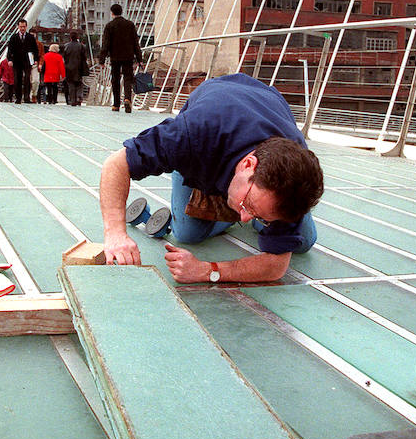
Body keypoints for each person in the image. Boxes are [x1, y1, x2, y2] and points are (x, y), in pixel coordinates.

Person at [100, 73, 324, 283]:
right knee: (186, 234)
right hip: (208, 144)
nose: (243, 217)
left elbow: (275, 266)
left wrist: (208, 271)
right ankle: (257, 213)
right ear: (248, 164)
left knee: (303, 243)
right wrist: (115, 233)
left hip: (263, 111)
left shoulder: (294, 175)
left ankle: (261, 213)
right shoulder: (192, 134)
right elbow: (116, 163)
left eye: (255, 213)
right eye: (247, 205)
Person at [99, 4, 142, 113]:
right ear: (121, 12)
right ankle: (127, 98)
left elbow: (106, 44)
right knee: (128, 78)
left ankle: (116, 104)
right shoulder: (130, 25)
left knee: (115, 80)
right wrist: (139, 58)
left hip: (115, 57)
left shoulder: (109, 26)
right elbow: (135, 42)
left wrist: (102, 60)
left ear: (112, 12)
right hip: (128, 56)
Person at [6, 19, 39, 104]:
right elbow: (10, 50)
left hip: (27, 61)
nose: (22, 28)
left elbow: (35, 49)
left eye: (24, 27)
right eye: (21, 27)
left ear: (26, 27)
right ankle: (18, 98)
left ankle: (27, 98)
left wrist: (35, 59)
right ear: (18, 27)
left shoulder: (30, 37)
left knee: (27, 79)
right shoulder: (14, 37)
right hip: (17, 61)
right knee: (17, 79)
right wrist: (9, 60)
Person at [62, 32, 88, 106]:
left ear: (70, 37)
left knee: (71, 85)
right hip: (79, 68)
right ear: (77, 37)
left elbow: (65, 57)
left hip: (69, 68)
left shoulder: (66, 46)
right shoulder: (82, 46)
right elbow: (84, 58)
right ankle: (79, 98)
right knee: (79, 83)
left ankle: (72, 100)